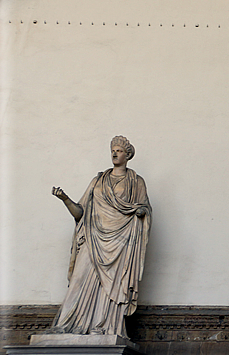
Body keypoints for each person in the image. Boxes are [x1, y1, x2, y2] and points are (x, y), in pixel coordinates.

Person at [47, 136, 151, 337]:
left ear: (128, 155)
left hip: (120, 243)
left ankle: (103, 326)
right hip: (93, 238)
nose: (114, 153)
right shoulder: (98, 181)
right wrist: (65, 199)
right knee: (77, 280)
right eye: (113, 149)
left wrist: (140, 212)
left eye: (119, 150)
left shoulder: (136, 182)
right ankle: (66, 324)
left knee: (111, 285)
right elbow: (80, 213)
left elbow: (144, 208)